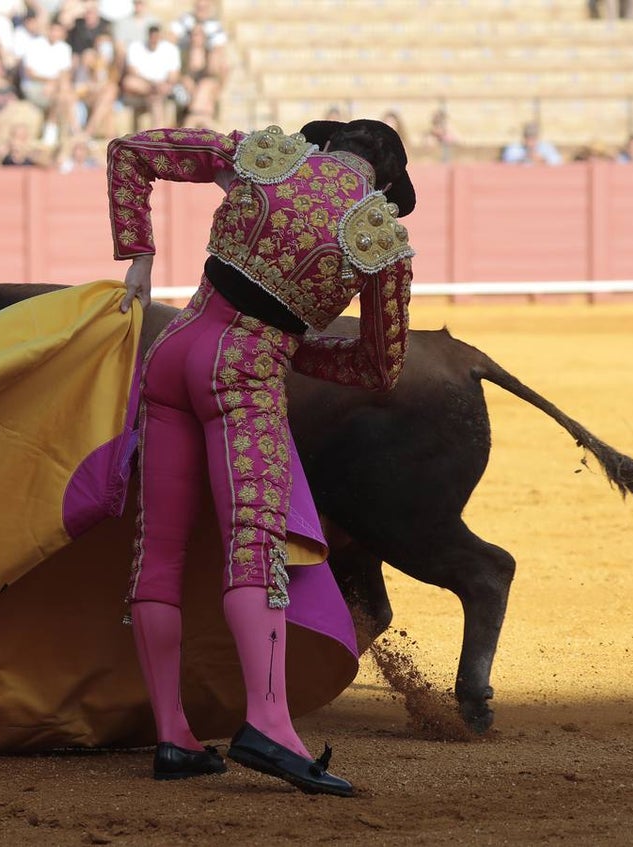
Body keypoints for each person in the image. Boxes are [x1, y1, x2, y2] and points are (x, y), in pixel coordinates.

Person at [108, 118, 416, 795]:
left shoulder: (268, 156)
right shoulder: (382, 237)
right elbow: (379, 368)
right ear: (386, 181)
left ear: (331, 143)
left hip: (173, 350)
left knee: (157, 548)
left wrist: (139, 255)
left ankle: (174, 735)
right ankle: (270, 724)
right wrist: (294, 347)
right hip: (242, 373)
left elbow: (131, 152)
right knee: (253, 544)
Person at [120, 23, 180, 130]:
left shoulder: (171, 49)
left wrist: (159, 86)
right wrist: (153, 85)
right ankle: (157, 136)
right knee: (131, 83)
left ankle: (156, 134)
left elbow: (173, 77)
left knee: (156, 96)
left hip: (160, 87)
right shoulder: (135, 47)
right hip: (144, 87)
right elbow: (131, 72)